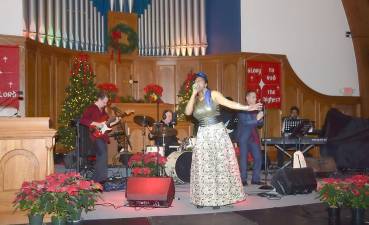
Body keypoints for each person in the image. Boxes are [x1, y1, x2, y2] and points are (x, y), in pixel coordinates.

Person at [185, 72, 262, 209]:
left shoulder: (213, 94)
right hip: (203, 134)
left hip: (216, 132)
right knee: (204, 167)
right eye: (196, 81)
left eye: (201, 80)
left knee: (218, 165)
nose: (198, 83)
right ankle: (203, 197)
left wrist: (247, 107)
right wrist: (192, 94)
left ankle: (219, 198)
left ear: (206, 84)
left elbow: (229, 103)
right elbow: (187, 112)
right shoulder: (195, 100)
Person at [80, 91, 120, 184]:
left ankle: (97, 181)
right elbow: (82, 120)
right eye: (104, 102)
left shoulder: (102, 111)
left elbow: (106, 126)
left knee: (102, 158)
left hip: (102, 137)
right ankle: (99, 181)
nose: (105, 104)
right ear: (99, 99)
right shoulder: (91, 108)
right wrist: (96, 123)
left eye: (106, 102)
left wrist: (115, 122)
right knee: (102, 157)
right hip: (93, 137)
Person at [236, 91, 264, 186]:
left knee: (258, 158)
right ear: (247, 98)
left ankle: (255, 179)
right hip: (243, 138)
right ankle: (243, 179)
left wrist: (260, 118)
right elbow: (246, 123)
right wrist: (257, 119)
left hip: (253, 138)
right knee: (244, 159)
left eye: (255, 97)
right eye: (252, 97)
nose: (255, 99)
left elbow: (260, 125)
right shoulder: (242, 109)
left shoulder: (257, 110)